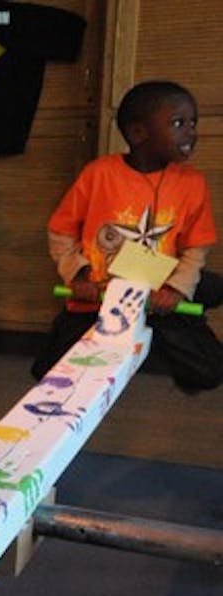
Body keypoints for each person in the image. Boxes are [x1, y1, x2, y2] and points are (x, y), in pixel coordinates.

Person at [30, 80, 222, 391]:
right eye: (178, 123)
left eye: (193, 123)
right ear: (138, 134)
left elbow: (196, 248)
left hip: (160, 296)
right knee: (49, 372)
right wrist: (78, 276)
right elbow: (61, 231)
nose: (191, 132)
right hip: (100, 296)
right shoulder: (99, 174)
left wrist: (177, 289)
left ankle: (157, 329)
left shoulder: (192, 183)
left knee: (208, 372)